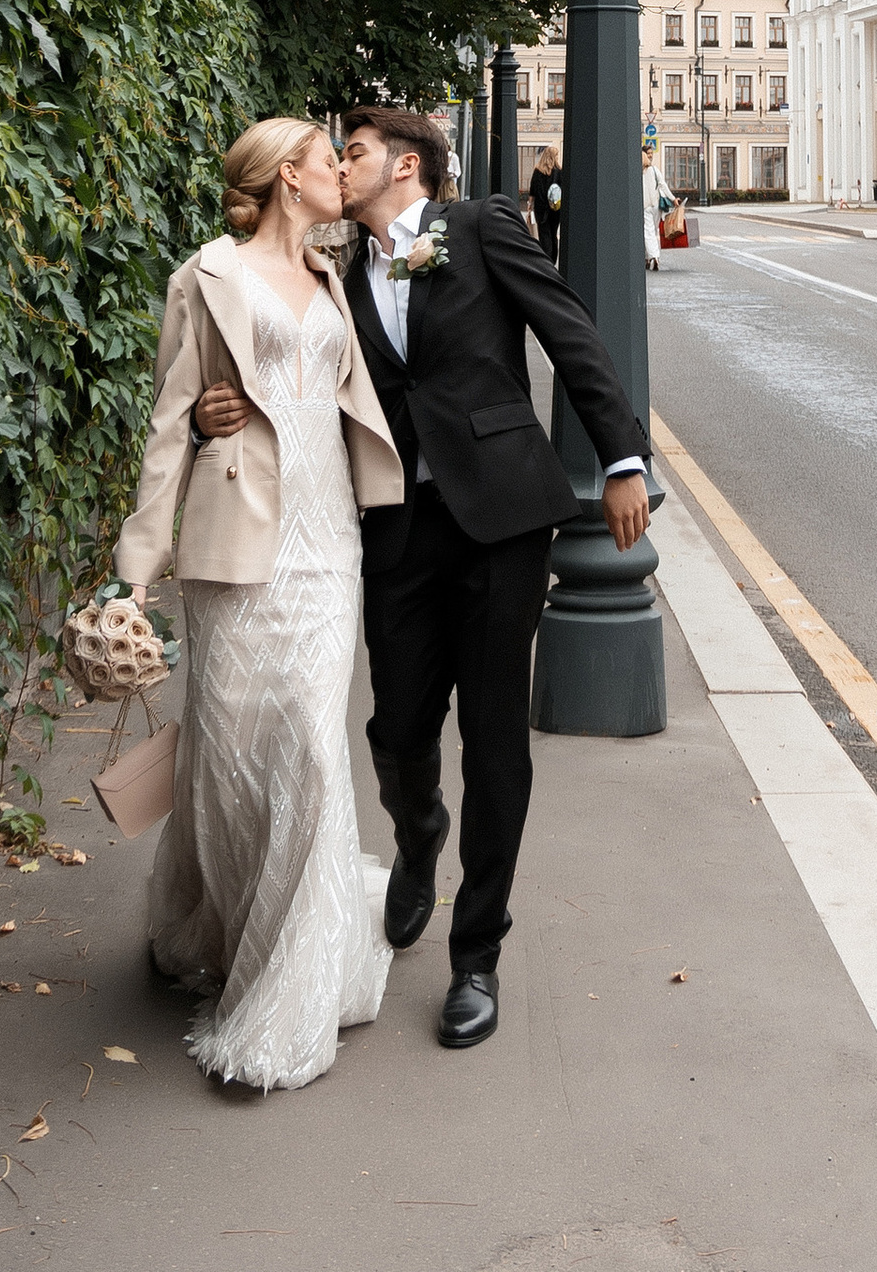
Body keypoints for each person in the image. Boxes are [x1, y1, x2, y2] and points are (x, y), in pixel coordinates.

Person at [191, 102, 647, 1056]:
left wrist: (621, 460)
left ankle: (476, 954)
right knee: (395, 728)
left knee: (493, 734)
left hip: (502, 523)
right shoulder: (333, 271)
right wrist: (212, 415)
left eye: (350, 152)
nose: (339, 166)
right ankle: (419, 831)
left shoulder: (480, 228)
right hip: (394, 529)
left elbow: (570, 334)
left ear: (404, 168)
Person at [113, 117, 404, 1091]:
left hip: (331, 547)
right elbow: (170, 422)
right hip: (237, 548)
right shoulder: (209, 277)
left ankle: (291, 988)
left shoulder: (338, 275)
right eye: (331, 161)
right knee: (233, 761)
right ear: (290, 176)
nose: (343, 175)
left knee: (314, 758)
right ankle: (221, 922)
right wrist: (135, 570)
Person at [526, 148, 564, 268]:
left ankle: (546, 261)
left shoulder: (538, 171)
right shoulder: (559, 172)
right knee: (553, 234)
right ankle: (552, 260)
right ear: (553, 157)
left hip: (541, 208)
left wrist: (529, 206)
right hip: (555, 209)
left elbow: (533, 191)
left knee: (544, 234)